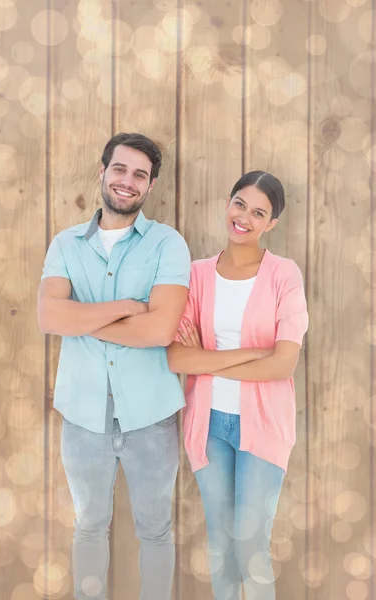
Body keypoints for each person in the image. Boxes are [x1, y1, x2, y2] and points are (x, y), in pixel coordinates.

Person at [38, 132, 191, 600]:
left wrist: (81, 320)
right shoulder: (65, 244)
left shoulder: (168, 244)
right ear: (103, 172)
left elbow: (160, 331)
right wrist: (128, 306)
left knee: (156, 529)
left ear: (150, 186)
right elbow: (49, 317)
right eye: (120, 169)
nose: (128, 181)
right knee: (88, 527)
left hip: (152, 415)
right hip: (83, 415)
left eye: (140, 175)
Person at [167, 171, 309, 600]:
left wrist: (206, 363)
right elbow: (176, 357)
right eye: (239, 204)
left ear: (271, 224)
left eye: (259, 212)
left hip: (264, 427)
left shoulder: (284, 274)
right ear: (228, 204)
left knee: (250, 547)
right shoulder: (196, 274)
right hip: (208, 426)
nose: (244, 217)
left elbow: (283, 365)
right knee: (221, 547)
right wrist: (251, 355)